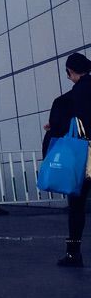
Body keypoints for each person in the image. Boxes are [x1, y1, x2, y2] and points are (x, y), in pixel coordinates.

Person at [43, 53, 91, 267]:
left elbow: (58, 130)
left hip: (80, 159)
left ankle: (73, 253)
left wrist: (52, 128)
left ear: (70, 72)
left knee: (77, 207)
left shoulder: (66, 100)